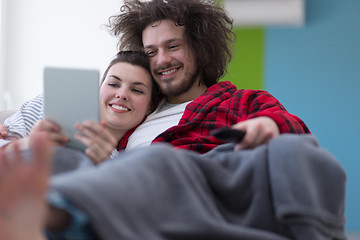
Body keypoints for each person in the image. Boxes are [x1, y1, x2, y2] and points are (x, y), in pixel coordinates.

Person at [0, 0, 346, 239]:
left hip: (208, 184)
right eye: (151, 52)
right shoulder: (140, 110)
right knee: (68, 158)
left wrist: (268, 126)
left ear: (199, 46)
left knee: (159, 159)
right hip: (142, 198)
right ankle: (39, 216)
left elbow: (294, 130)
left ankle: (47, 217)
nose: (161, 59)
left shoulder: (240, 100)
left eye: (173, 46)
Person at [2, 50, 160, 165]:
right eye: (113, 84)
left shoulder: (119, 163)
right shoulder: (48, 105)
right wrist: (29, 144)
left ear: (150, 107)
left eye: (137, 90)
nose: (122, 94)